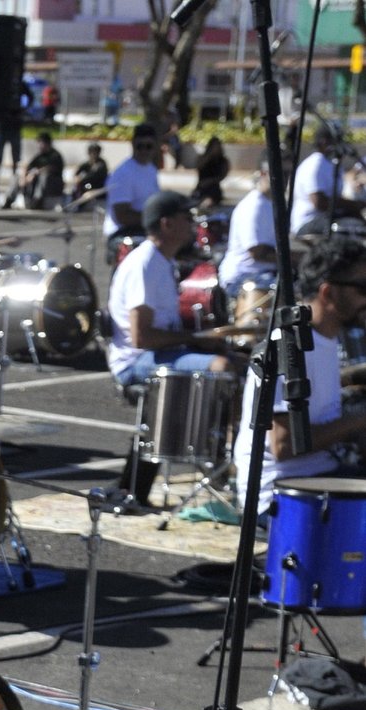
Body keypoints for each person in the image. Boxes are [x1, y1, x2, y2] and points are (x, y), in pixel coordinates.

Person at [234, 234, 366, 509]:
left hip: (320, 474)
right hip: (283, 495)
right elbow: (284, 445)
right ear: (327, 292)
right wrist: (358, 421)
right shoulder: (291, 347)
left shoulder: (326, 338)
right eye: (362, 288)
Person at [106, 190, 241, 388]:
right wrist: (195, 338)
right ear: (166, 224)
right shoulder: (145, 265)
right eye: (187, 218)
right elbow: (141, 338)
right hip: (135, 361)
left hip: (157, 352)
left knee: (245, 362)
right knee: (222, 367)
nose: (193, 224)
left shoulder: (162, 261)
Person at [218, 156, 276, 301]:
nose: (285, 179)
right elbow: (257, 253)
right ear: (263, 174)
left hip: (262, 273)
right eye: (280, 173)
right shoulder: (254, 206)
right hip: (242, 278)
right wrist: (299, 259)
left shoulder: (269, 204)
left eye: (288, 174)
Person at [102, 125, 160, 244]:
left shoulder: (152, 169)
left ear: (155, 147)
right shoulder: (123, 174)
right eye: (139, 146)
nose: (144, 151)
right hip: (122, 234)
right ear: (133, 144)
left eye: (148, 146)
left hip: (143, 228)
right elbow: (123, 216)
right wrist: (156, 218)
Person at [291, 124, 338, 237]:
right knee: (346, 227)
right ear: (324, 142)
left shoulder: (330, 163)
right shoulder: (315, 164)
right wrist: (351, 205)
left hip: (325, 219)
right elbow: (319, 203)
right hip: (307, 223)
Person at [0, 96, 22, 210]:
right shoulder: (1, 87)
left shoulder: (16, 86)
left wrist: (21, 110)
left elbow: (28, 96)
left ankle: (15, 186)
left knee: (16, 161)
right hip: (2, 126)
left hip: (13, 125)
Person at [22, 130, 65, 210]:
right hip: (38, 183)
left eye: (40, 143)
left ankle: (37, 200)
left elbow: (50, 169)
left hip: (53, 184)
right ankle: (10, 200)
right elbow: (28, 166)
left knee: (43, 176)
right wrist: (25, 176)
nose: (38, 145)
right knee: (17, 176)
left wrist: (35, 173)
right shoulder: (40, 155)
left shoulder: (55, 155)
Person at [192, 134, 229, 210]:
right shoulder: (202, 158)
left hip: (213, 189)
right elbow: (199, 167)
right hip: (201, 188)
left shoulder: (222, 161)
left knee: (208, 203)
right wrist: (209, 157)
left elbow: (222, 175)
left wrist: (210, 181)